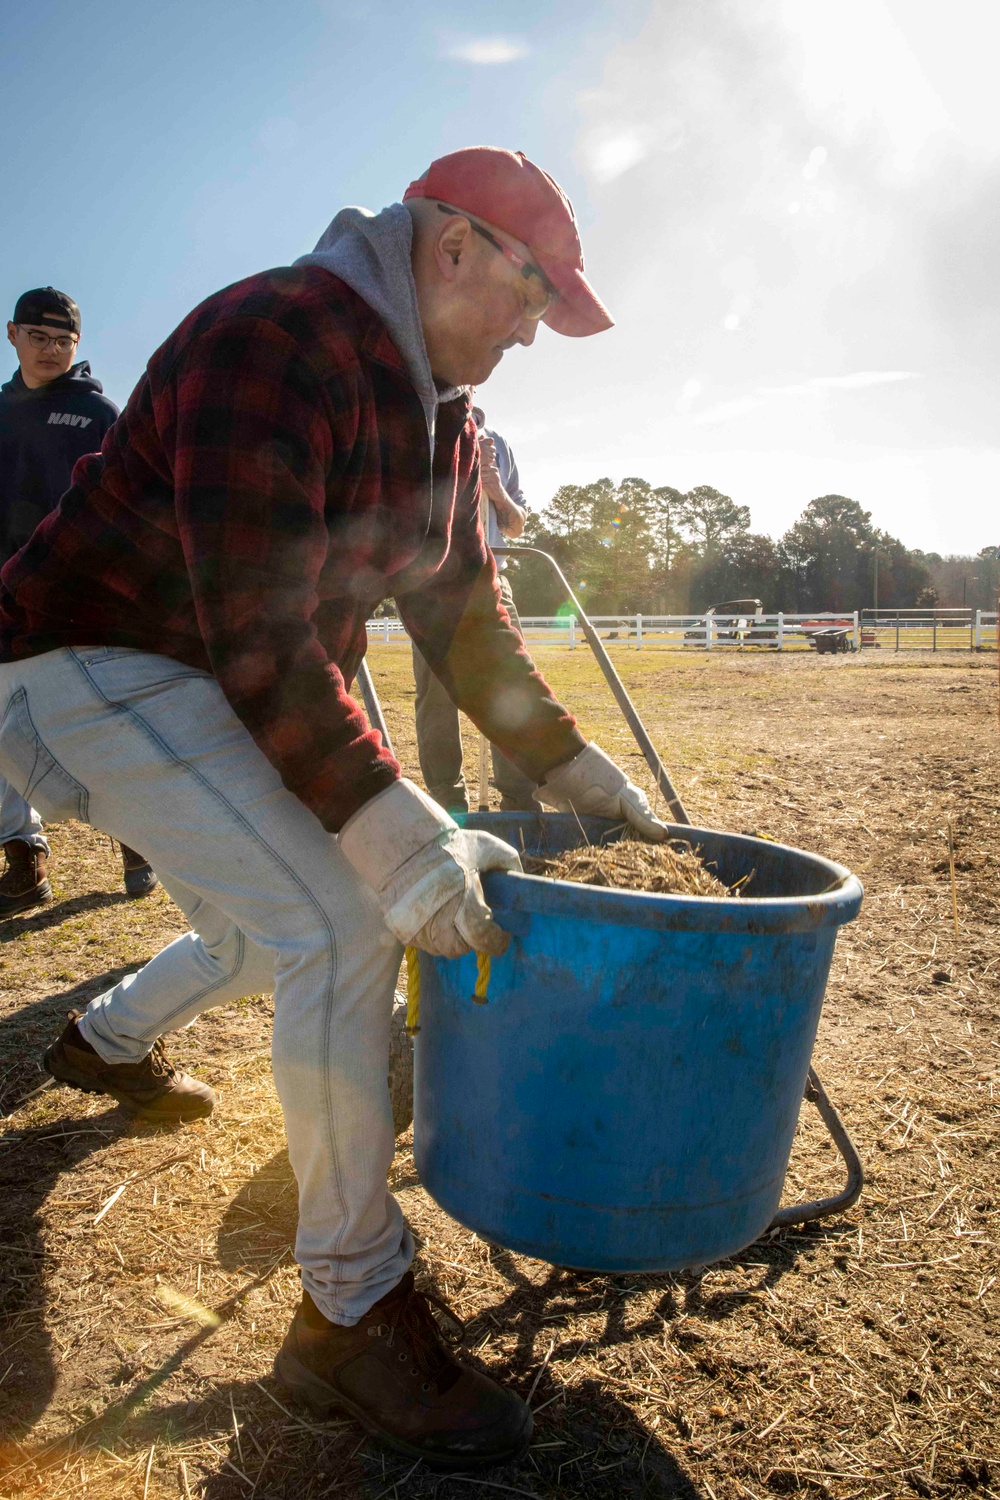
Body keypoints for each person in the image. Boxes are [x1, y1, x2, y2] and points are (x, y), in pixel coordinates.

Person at [0, 147, 664, 1470]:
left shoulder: (448, 418)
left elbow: (466, 626)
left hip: (203, 672)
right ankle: (349, 1301)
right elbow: (251, 619)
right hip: (103, 655)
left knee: (269, 929)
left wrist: (579, 770)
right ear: (453, 244)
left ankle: (105, 1040)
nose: (533, 330)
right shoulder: (279, 333)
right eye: (531, 293)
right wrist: (380, 825)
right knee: (347, 923)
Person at [0, 288, 158, 909]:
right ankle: (23, 855)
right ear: (12, 334)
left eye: (63, 340)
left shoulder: (97, 414)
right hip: (7, 594)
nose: (50, 350)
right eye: (38, 336)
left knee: (103, 722)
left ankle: (137, 837)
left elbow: (129, 501)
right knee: (5, 727)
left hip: (77, 595)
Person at [412, 403, 537, 813]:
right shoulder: (423, 433)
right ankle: (450, 808)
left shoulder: (497, 444)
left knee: (512, 690)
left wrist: (495, 488)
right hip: (432, 584)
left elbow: (517, 525)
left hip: (493, 582)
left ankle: (519, 805)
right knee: (437, 699)